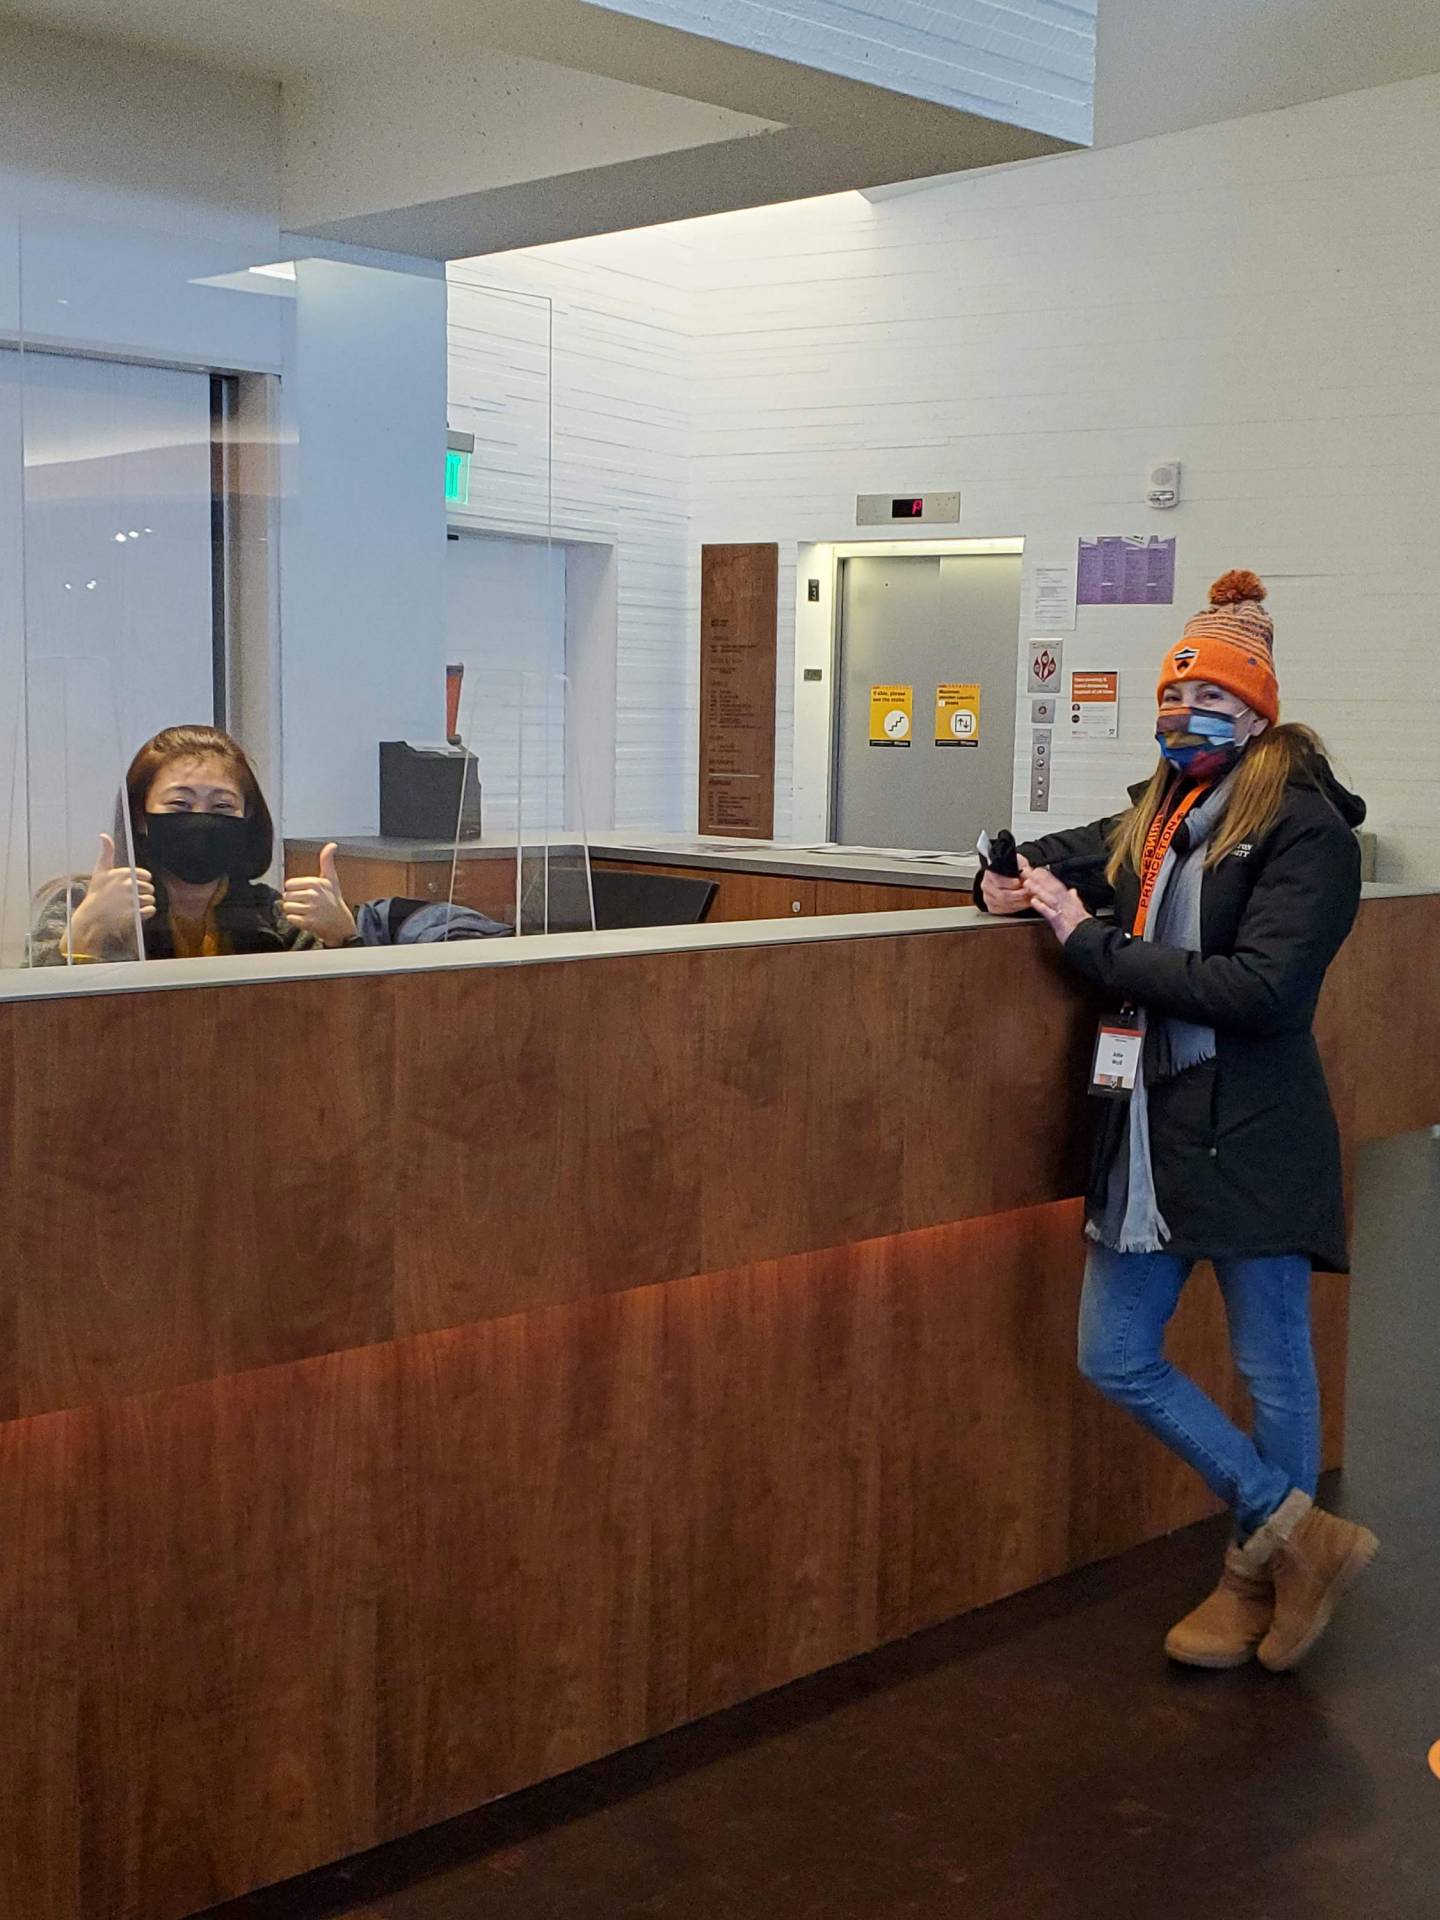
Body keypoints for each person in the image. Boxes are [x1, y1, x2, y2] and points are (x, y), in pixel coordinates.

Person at [980, 570, 1378, 1673]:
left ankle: (1257, 1581)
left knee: (1273, 1367)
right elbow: (1061, 859)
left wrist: (1088, 942)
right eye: (1169, 704)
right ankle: (1299, 1536)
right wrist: (1001, 883)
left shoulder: (1306, 834)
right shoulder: (1157, 816)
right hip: (1149, 1133)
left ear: (1257, 715)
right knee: (1113, 1352)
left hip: (1252, 1128)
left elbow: (1263, 991)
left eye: (1205, 706)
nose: (1181, 723)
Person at [33, 724, 356, 963]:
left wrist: (343, 937)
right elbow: (28, 1025)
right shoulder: (80, 903)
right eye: (180, 805)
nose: (201, 820)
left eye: (221, 807)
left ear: (247, 818)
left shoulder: (272, 914)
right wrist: (88, 930)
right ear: (140, 816)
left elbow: (348, 1015)